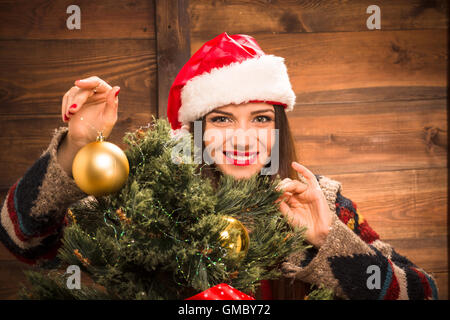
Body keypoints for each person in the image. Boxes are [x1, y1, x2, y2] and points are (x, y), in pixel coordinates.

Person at [0, 32, 439, 300]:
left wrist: (328, 240)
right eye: (223, 119)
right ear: (195, 132)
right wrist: (77, 144)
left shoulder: (318, 202)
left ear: (277, 128)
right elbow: (22, 238)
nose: (244, 138)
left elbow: (423, 293)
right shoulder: (149, 199)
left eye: (261, 119)